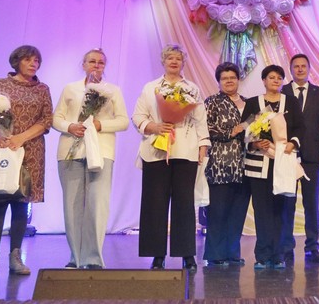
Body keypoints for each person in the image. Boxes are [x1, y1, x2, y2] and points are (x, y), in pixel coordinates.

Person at [132, 44, 210, 271]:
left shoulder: (192, 88)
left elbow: (200, 119)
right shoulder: (151, 88)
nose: (174, 62)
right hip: (156, 151)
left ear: (183, 62)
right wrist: (154, 126)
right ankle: (157, 255)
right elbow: (138, 116)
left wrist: (203, 145)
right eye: (170, 58)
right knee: (154, 203)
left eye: (178, 58)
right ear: (163, 62)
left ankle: (187, 253)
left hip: (185, 150)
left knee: (184, 203)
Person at [0, 45, 53, 277]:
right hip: (1, 149)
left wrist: (21, 137)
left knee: (21, 201)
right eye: (28, 60)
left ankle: (16, 256)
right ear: (17, 61)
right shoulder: (1, 84)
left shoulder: (42, 89)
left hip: (29, 150)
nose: (33, 64)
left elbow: (46, 120)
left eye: (37, 61)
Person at [52, 48, 129, 269]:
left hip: (101, 152)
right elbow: (56, 118)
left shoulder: (112, 91)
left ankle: (93, 258)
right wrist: (70, 126)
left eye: (101, 62)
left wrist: (100, 124)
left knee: (97, 204)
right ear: (84, 64)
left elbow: (123, 121)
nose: (96, 65)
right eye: (92, 61)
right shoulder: (70, 88)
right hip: (71, 151)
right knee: (72, 205)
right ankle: (75, 257)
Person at [241, 64, 304, 270]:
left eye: (279, 77)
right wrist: (255, 144)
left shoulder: (291, 102)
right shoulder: (253, 103)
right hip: (259, 164)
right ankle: (262, 255)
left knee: (282, 210)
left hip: (284, 161)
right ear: (264, 80)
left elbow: (300, 128)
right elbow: (245, 131)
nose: (275, 81)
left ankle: (279, 255)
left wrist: (292, 143)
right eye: (271, 77)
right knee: (262, 210)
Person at [280, 54, 319, 264]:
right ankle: (286, 247)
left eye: (304, 66)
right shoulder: (282, 92)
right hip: (287, 155)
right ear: (291, 69)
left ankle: (312, 247)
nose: (300, 69)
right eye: (296, 66)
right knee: (287, 203)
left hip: (313, 157)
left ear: (310, 69)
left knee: (311, 204)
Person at [202, 62, 251, 266]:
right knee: (218, 211)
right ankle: (215, 254)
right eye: (224, 78)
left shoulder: (249, 103)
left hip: (245, 164)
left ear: (238, 79)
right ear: (219, 82)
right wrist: (230, 132)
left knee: (238, 211)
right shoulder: (212, 102)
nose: (229, 81)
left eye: (232, 77)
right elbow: (205, 128)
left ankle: (232, 253)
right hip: (220, 164)